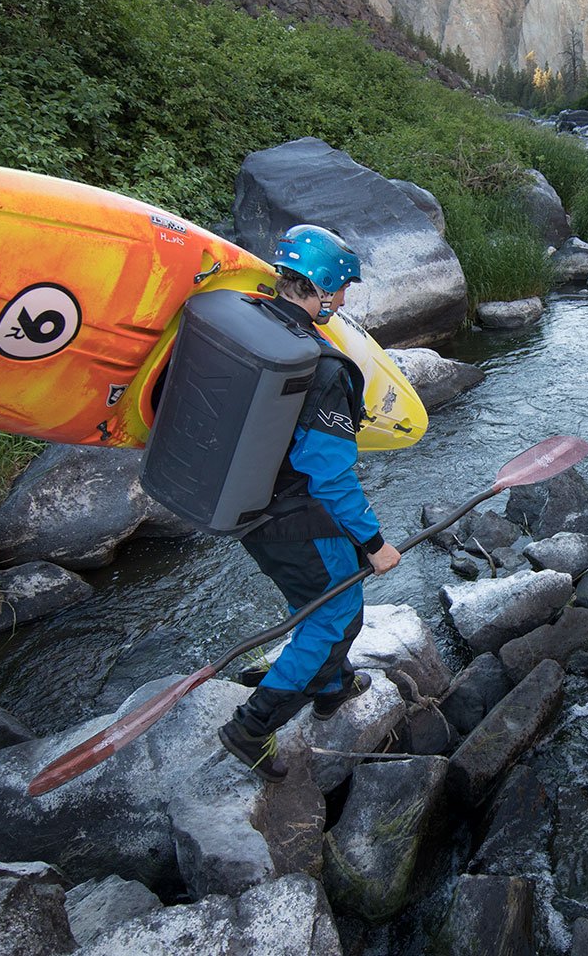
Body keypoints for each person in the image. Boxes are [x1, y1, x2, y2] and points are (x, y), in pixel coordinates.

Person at [218, 224, 401, 782]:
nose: (342, 301)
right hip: (296, 517)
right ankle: (252, 726)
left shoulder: (247, 319)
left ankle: (332, 686)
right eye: (339, 289)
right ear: (318, 286)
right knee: (337, 616)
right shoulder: (321, 369)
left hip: (242, 507)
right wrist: (374, 543)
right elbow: (331, 479)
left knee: (315, 600)